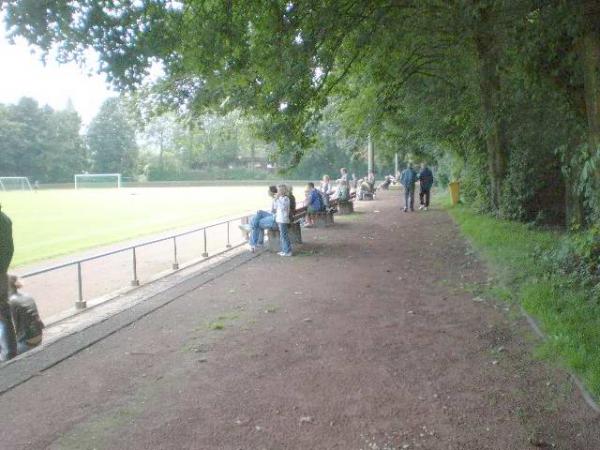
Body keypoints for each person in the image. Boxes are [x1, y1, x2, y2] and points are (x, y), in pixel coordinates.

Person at [7, 276, 44, 354]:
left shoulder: (11, 302)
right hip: (39, 336)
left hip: (26, 342)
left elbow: (12, 327)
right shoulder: (28, 296)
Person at [0, 204, 17, 361]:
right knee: (3, 314)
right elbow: (9, 249)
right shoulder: (5, 219)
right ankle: (10, 352)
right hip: (2, 273)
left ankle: (8, 352)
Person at [240, 186, 278, 252]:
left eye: (268, 190)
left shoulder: (277, 199)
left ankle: (253, 244)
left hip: (275, 219)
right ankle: (257, 241)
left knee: (257, 223)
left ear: (271, 192)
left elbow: (276, 212)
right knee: (259, 213)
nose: (267, 192)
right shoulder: (276, 199)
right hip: (275, 217)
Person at [274, 184, 292, 256]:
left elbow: (283, 208)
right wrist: (275, 200)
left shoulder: (286, 199)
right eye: (278, 190)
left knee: (284, 236)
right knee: (282, 236)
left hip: (283, 219)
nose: (278, 191)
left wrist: (277, 199)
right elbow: (276, 207)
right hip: (279, 219)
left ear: (283, 191)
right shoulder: (280, 198)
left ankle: (288, 251)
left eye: (279, 190)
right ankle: (284, 250)